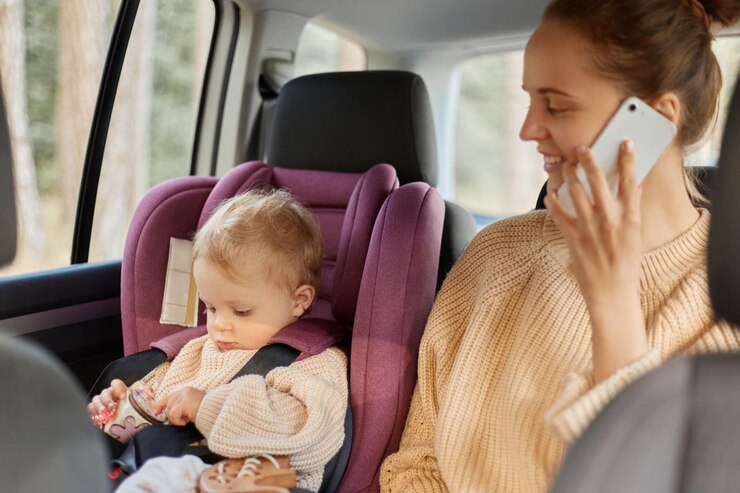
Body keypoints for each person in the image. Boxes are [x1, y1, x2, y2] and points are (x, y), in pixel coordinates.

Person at [380, 0, 740, 491]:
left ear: (656, 118)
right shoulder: (494, 257)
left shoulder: (726, 308)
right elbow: (415, 466)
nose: (527, 130)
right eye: (528, 99)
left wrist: (612, 305)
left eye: (557, 104)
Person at [87, 188, 348, 492]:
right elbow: (152, 410)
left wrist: (206, 407)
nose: (219, 325)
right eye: (209, 307)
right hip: (158, 470)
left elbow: (307, 432)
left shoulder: (315, 363)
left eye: (241, 311)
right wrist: (118, 409)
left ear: (299, 300)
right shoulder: (195, 352)